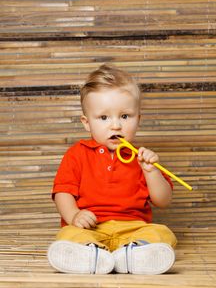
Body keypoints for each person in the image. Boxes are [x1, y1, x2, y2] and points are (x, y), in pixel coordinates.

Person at [47, 64, 177, 275]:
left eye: (125, 116)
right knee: (68, 234)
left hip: (134, 228)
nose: (116, 126)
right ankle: (91, 254)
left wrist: (151, 171)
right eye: (104, 118)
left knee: (162, 233)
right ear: (87, 123)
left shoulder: (142, 158)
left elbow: (163, 200)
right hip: (90, 228)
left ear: (138, 120)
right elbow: (63, 192)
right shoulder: (76, 154)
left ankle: (132, 255)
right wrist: (74, 215)